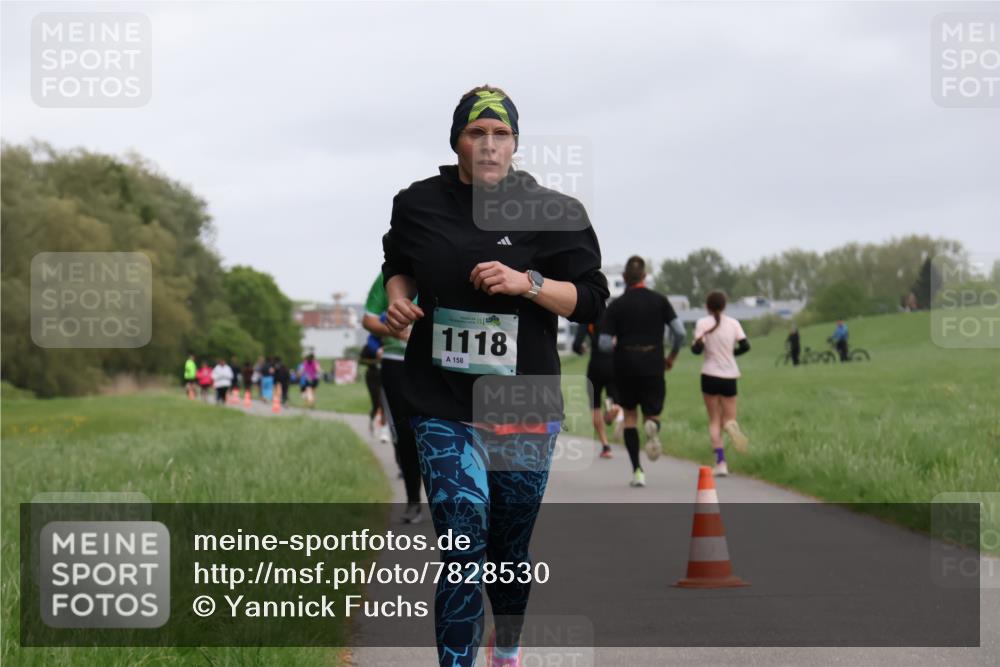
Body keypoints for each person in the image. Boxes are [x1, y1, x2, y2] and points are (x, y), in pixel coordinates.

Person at [382, 85, 608, 667]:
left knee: (507, 552)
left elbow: (590, 300)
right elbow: (398, 266)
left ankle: (506, 646)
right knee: (463, 544)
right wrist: (400, 299)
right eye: (475, 133)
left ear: (515, 143)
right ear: (456, 141)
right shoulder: (417, 204)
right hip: (441, 401)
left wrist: (527, 283)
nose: (488, 145)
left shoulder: (555, 212)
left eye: (500, 134)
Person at [599, 256, 685, 488]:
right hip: (653, 362)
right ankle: (652, 428)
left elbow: (604, 343)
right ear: (645, 276)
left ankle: (637, 470)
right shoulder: (660, 300)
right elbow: (679, 333)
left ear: (624, 277)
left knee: (629, 417)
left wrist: (619, 348)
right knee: (652, 413)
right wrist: (671, 356)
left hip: (625, 365)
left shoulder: (616, 306)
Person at [363, 272, 423, 523]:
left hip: (437, 362)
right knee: (404, 433)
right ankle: (413, 502)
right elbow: (368, 320)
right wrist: (395, 331)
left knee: (442, 430)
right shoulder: (387, 276)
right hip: (396, 362)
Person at [691, 291, 750, 477]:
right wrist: (731, 354)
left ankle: (721, 462)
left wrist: (699, 343)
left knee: (714, 420)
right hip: (730, 375)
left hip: (709, 374)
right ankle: (731, 425)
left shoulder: (702, 323)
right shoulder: (733, 323)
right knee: (728, 418)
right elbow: (746, 346)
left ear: (707, 306)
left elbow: (696, 350)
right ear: (724, 306)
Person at [571, 319, 621, 459]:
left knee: (595, 406)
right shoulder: (614, 314)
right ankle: (613, 411)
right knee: (614, 399)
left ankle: (606, 447)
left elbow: (576, 344)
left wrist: (582, 349)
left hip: (595, 366)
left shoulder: (588, 316)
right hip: (613, 364)